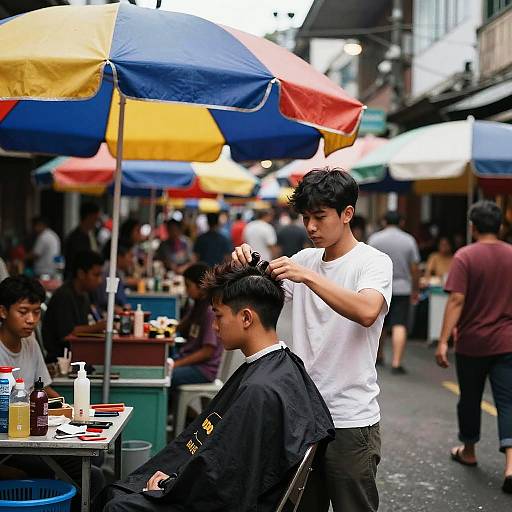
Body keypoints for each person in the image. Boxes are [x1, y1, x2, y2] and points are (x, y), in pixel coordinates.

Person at [100, 261, 335, 512]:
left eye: (218, 315)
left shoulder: (260, 390)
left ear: (246, 317)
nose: (214, 326)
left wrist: (169, 484)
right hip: (218, 488)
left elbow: (223, 480)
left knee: (117, 503)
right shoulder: (281, 365)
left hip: (222, 501)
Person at [233, 168, 392, 512]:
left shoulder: (373, 262)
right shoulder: (304, 260)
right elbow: (255, 296)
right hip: (304, 420)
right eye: (306, 218)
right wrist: (243, 262)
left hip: (351, 420)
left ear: (347, 213)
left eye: (320, 217)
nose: (311, 227)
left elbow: (367, 310)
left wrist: (306, 276)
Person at [435, 200, 512, 494]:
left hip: (473, 342)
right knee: (508, 402)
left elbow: (456, 300)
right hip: (507, 341)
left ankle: (469, 450)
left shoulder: (465, 256)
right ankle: (510, 466)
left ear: (473, 226)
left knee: (470, 398)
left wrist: (443, 341)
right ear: (500, 226)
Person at [368, 211, 420, 373]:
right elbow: (415, 268)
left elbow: (367, 263)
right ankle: (397, 362)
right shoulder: (409, 240)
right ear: (402, 222)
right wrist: (415, 289)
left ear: (383, 221)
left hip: (379, 287)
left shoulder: (375, 239)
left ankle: (378, 356)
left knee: (380, 322)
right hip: (402, 288)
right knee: (399, 324)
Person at [42, 250, 105, 362]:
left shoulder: (84, 295)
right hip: (60, 360)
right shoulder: (64, 296)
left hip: (78, 355)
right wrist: (100, 326)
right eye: (96, 275)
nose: (99, 281)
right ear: (81, 274)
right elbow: (68, 333)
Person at [0, 276, 58, 397]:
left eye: (36, 312)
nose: (31, 320)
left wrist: (67, 408)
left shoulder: (30, 343)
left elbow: (44, 389)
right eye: (23, 312)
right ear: (3, 312)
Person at [169, 263, 222, 388]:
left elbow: (207, 352)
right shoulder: (198, 306)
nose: (186, 290)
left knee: (166, 375)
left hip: (204, 369)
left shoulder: (210, 311)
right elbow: (180, 327)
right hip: (190, 360)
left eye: (188, 286)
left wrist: (176, 364)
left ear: (201, 287)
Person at [63, 201, 100, 279]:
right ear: (88, 217)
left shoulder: (91, 236)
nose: (96, 222)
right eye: (95, 218)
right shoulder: (75, 238)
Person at [95, 245, 132, 315]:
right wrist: (119, 309)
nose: (131, 260)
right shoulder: (108, 271)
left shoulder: (118, 271)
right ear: (120, 257)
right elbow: (105, 300)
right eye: (130, 256)